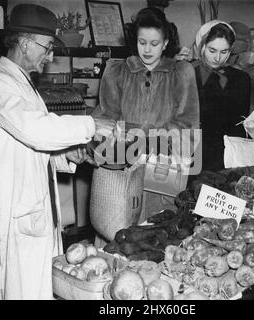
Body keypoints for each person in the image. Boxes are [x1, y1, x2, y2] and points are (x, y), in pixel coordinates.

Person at [0, 4, 114, 300]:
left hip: (27, 204)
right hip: (11, 209)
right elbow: (34, 130)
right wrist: (90, 124)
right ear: (24, 43)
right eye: (46, 47)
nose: (50, 56)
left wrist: (64, 156)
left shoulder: (23, 85)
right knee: (15, 287)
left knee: (31, 285)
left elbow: (28, 146)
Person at [91, 7, 200, 240]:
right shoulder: (117, 71)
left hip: (163, 168)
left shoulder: (181, 72)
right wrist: (114, 141)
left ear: (166, 42)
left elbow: (188, 124)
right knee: (118, 233)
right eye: (142, 42)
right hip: (124, 167)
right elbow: (106, 118)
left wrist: (147, 142)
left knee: (155, 235)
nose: (147, 50)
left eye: (154, 43)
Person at [192, 20, 251, 172]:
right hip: (193, 154)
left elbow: (240, 124)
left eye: (224, 52)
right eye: (212, 50)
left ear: (230, 50)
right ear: (202, 46)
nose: (218, 58)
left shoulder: (241, 79)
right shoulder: (187, 74)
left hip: (225, 156)